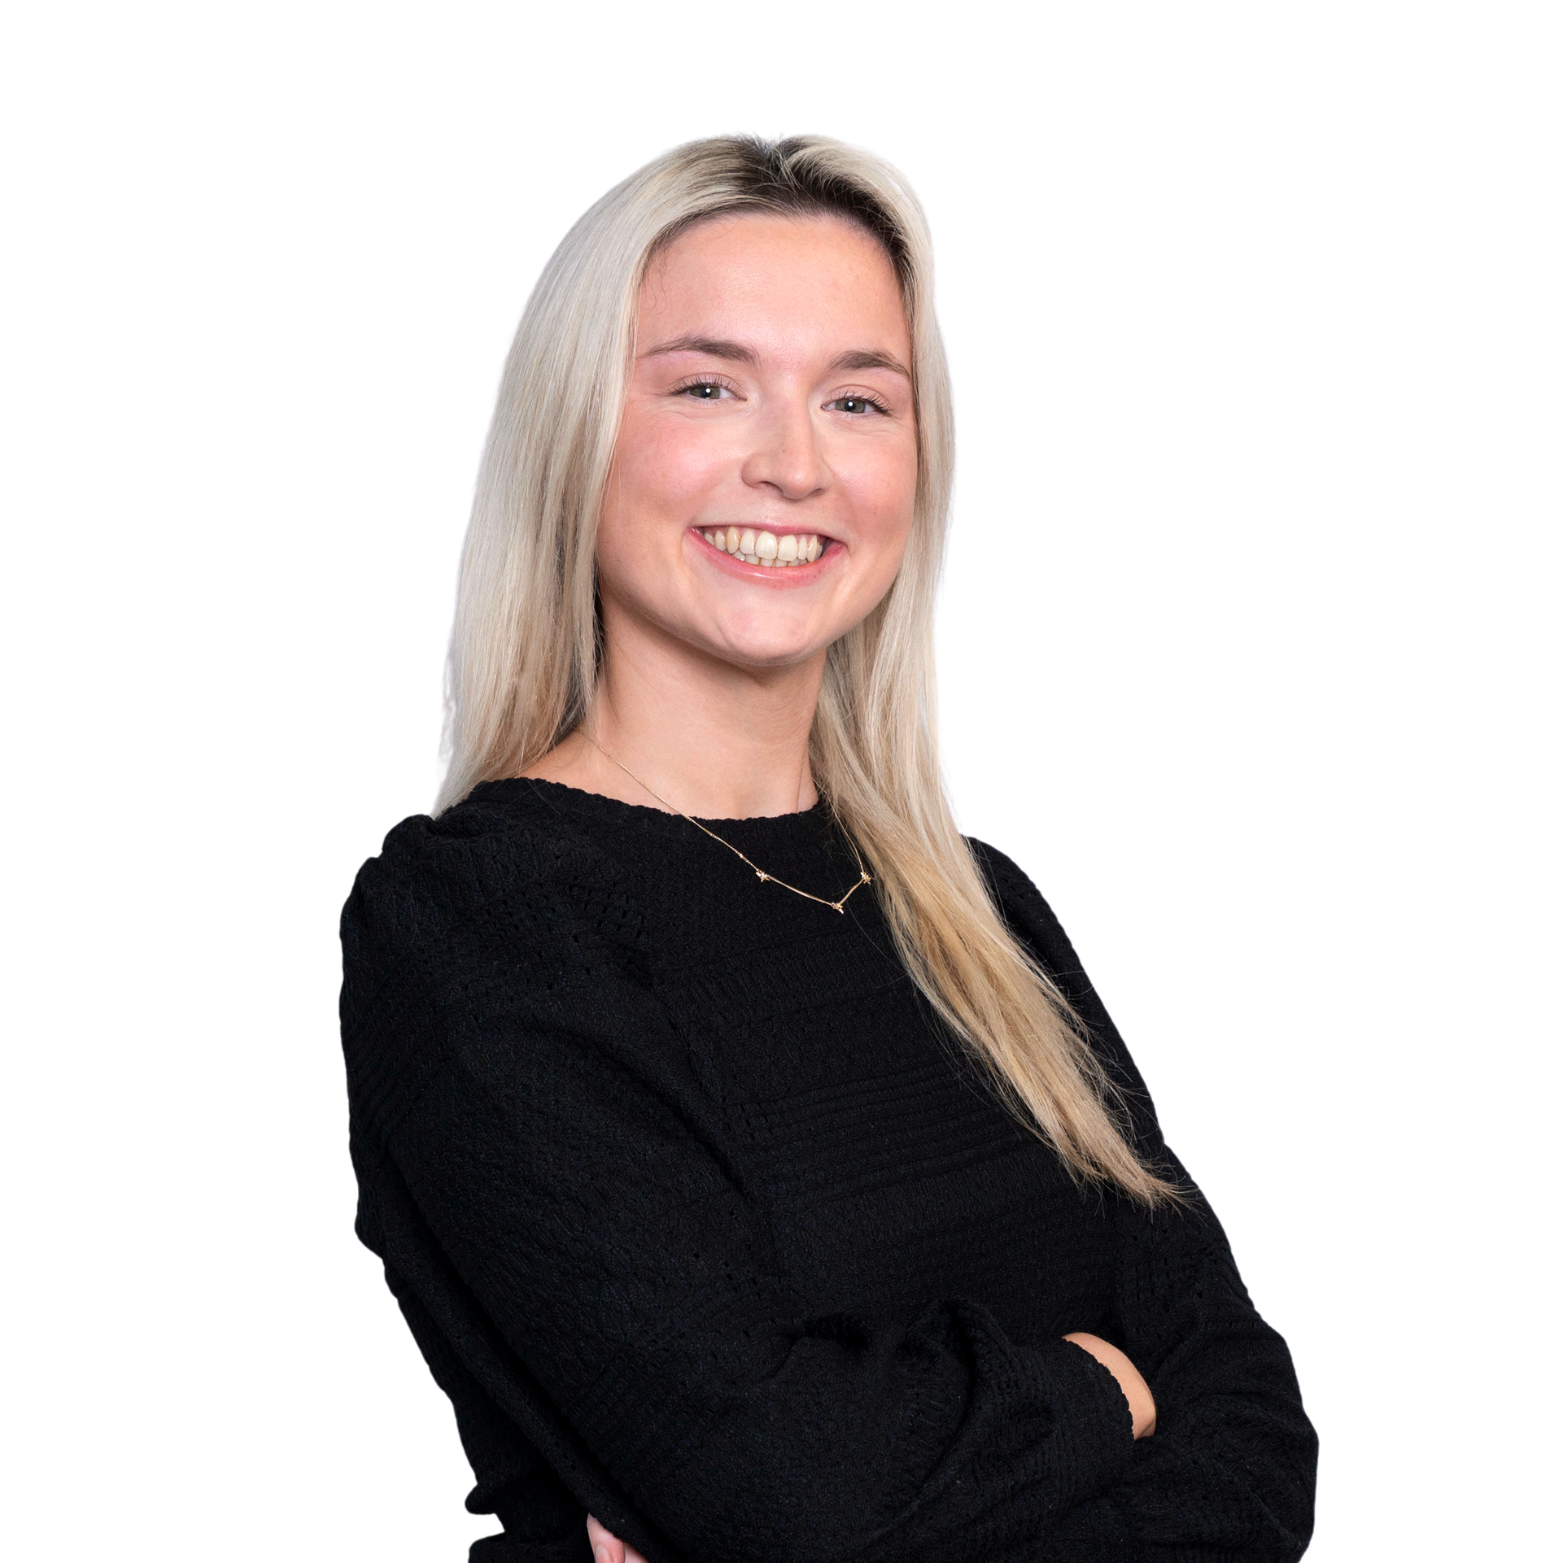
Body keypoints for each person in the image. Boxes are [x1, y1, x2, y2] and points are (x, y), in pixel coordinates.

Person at [339, 135, 1317, 1563]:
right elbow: (783, 1491)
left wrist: (876, 1483)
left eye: (858, 400)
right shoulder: (481, 920)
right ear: (575, 434)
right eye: (707, 386)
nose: (793, 464)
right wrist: (1106, 1386)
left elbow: (1256, 1439)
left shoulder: (977, 911)